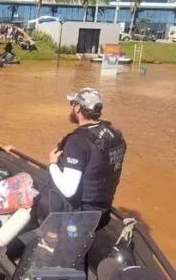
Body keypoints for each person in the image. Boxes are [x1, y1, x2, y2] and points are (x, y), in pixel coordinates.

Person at [37, 88, 126, 228]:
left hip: (79, 216)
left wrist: (53, 164)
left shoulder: (77, 141)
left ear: (77, 108)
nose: (71, 107)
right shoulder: (113, 132)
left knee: (37, 201)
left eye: (72, 103)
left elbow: (68, 189)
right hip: (103, 212)